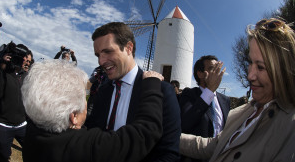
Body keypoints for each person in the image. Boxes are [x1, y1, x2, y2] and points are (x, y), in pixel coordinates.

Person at [179, 18, 295, 161]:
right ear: (199, 73)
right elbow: (215, 146)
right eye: (251, 62)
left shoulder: (289, 127)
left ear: (281, 71)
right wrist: (166, 133)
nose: (250, 75)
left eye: (260, 67)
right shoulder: (242, 113)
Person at [22, 60, 164, 162]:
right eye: (84, 98)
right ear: (74, 117)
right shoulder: (86, 148)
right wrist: (152, 85)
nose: (86, 102)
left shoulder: (31, 132)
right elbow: (146, 132)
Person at [85, 22, 181, 161]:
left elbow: (169, 154)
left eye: (108, 51)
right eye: (98, 55)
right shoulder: (104, 90)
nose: (101, 61)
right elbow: (92, 132)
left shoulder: (162, 91)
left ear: (129, 48)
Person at [178, 55, 230, 162]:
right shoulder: (189, 94)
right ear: (200, 74)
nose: (216, 72)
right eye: (212, 68)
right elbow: (185, 123)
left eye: (218, 68)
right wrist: (209, 91)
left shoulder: (225, 100)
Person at [0, 42, 30, 162]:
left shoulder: (27, 76)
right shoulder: (4, 72)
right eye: (23, 58)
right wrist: (2, 67)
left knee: (31, 150)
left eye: (28, 60)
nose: (25, 62)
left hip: (21, 124)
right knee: (4, 155)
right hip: (4, 125)